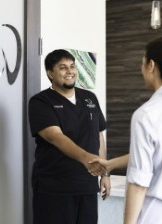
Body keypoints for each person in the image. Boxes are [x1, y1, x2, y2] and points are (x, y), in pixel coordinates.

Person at [90, 37, 162, 224]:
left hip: (154, 216)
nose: (141, 70)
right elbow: (157, 156)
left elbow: (139, 184)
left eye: (142, 63)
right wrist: (111, 164)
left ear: (151, 65)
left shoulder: (146, 115)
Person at [28, 49, 110, 224]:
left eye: (72, 66)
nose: (70, 71)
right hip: (54, 188)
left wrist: (105, 174)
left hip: (86, 186)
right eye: (62, 67)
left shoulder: (89, 98)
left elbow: (98, 135)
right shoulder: (40, 102)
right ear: (50, 73)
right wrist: (87, 158)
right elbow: (54, 136)